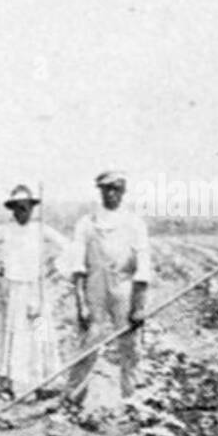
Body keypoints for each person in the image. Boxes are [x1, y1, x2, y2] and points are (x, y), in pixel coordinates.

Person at [64, 171, 151, 401]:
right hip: (95, 287)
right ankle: (75, 397)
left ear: (123, 192)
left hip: (124, 287)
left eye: (116, 189)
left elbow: (143, 267)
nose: (111, 193)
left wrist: (139, 305)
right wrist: (81, 304)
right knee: (89, 341)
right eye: (106, 189)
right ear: (100, 191)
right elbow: (78, 267)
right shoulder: (87, 222)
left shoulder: (134, 223)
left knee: (131, 345)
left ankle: (130, 397)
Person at [0, 185, 69, 398]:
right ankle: (19, 385)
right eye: (17, 208)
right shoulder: (5, 230)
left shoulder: (41, 229)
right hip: (13, 291)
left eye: (25, 207)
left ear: (32, 207)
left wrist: (55, 265)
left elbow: (69, 247)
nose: (21, 211)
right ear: (12, 209)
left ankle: (43, 381)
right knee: (18, 336)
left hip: (37, 289)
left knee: (40, 334)